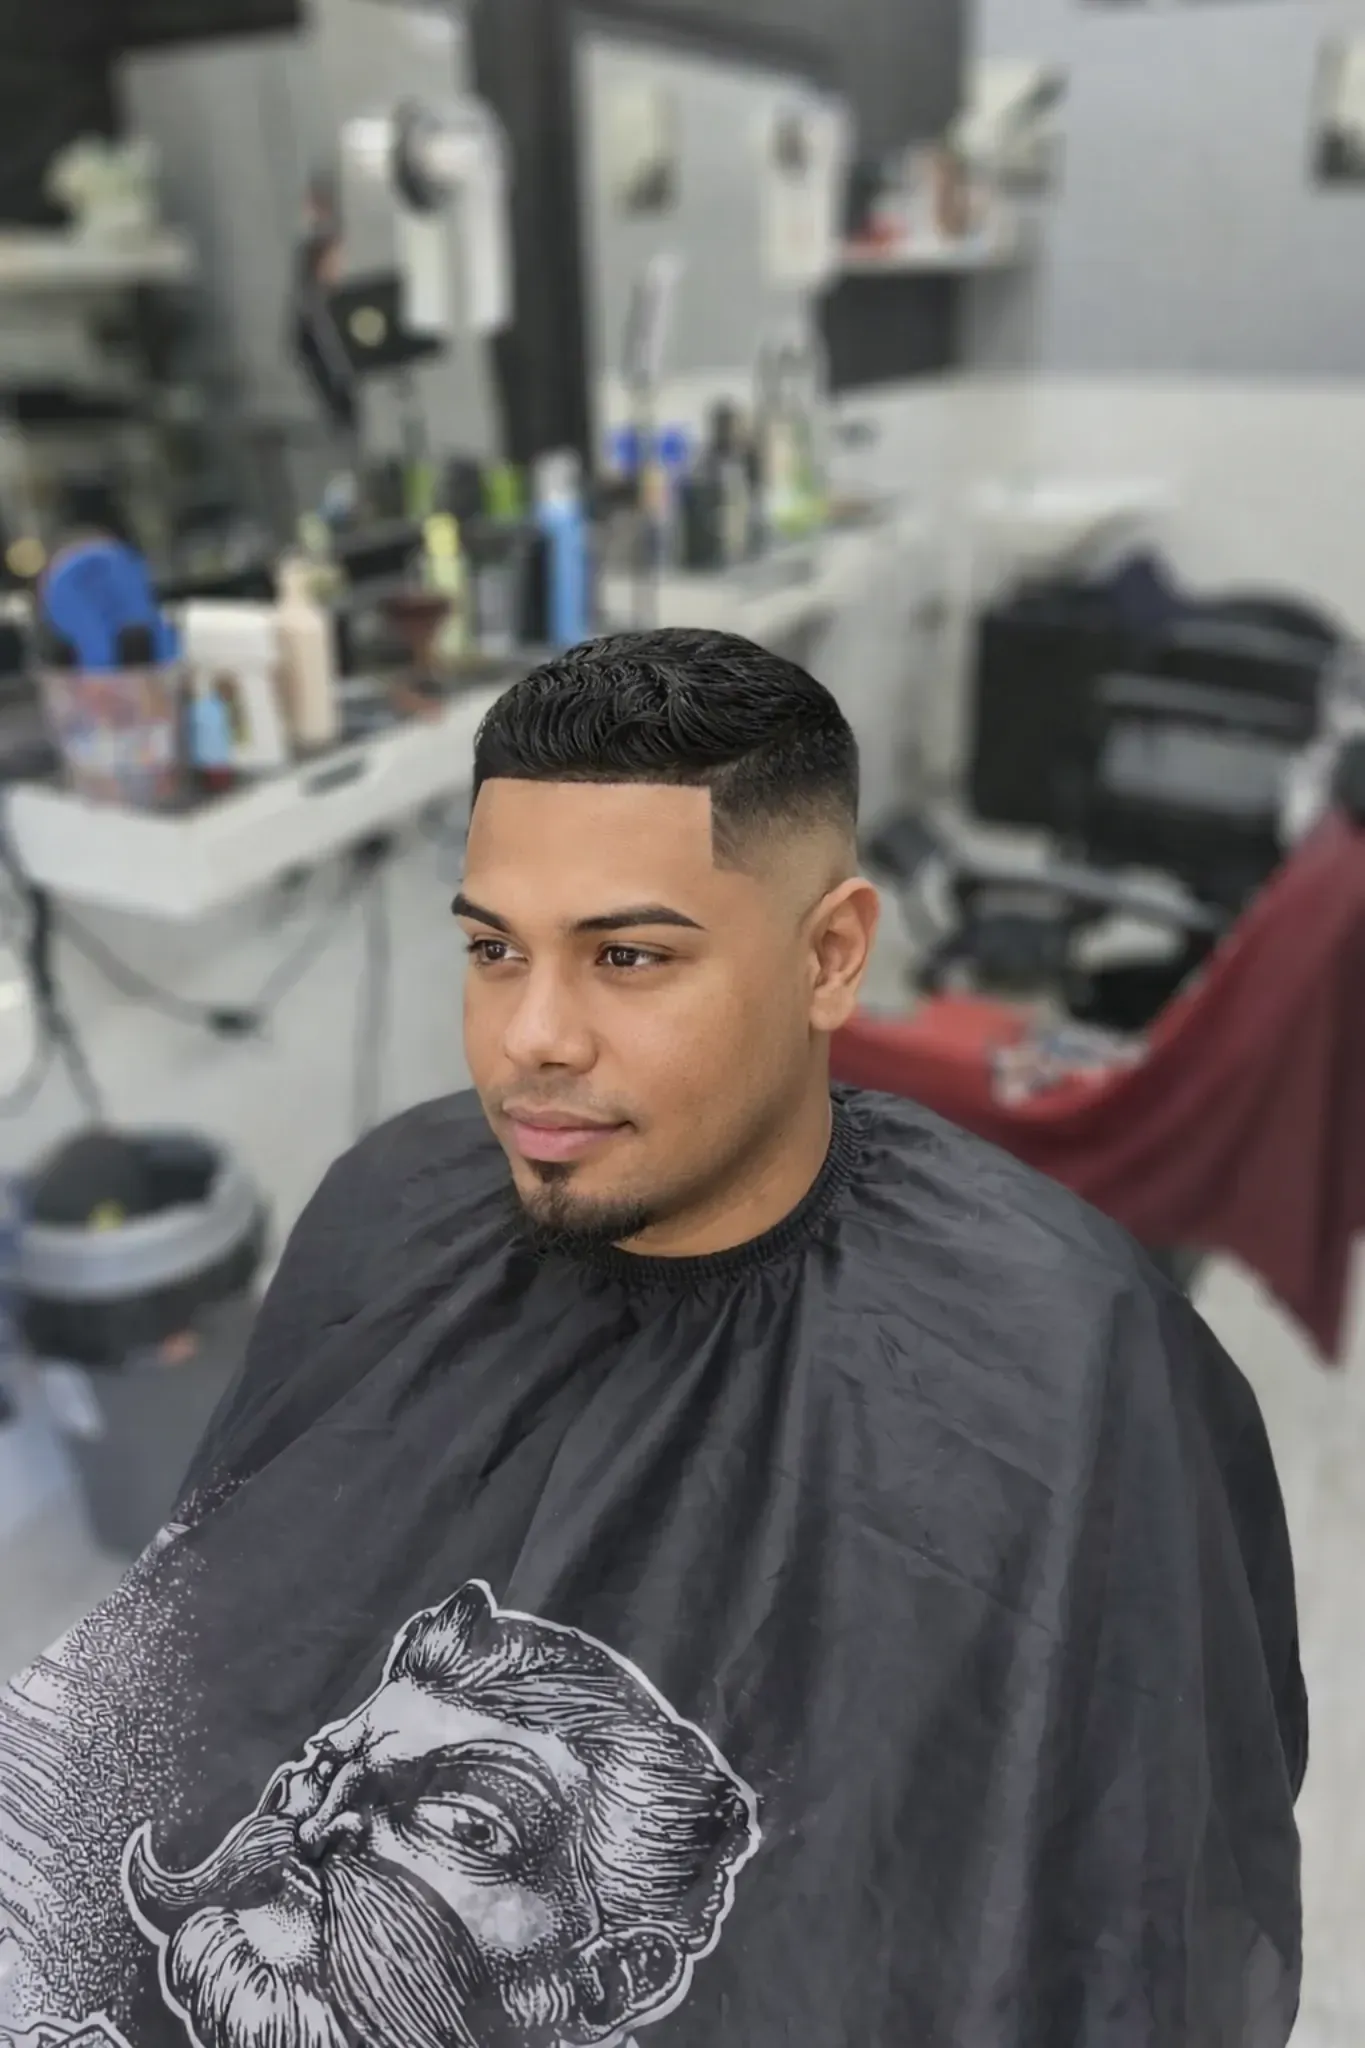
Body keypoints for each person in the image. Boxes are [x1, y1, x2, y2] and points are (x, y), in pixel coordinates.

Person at [0, 629, 1305, 2048]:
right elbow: (206, 1645)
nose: (528, 1040)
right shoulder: (391, 1200)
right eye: (494, 949)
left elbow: (1136, 1917)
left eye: (628, 955)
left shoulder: (1071, 1358)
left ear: (830, 955)